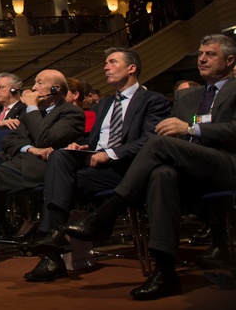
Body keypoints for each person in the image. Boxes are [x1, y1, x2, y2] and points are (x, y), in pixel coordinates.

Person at [64, 34, 236, 300]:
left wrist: (192, 128)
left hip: (226, 164)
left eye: (210, 54)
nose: (202, 58)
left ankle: (107, 213)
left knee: (156, 145)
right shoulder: (188, 96)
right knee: (161, 174)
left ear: (230, 60)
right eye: (200, 53)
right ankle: (165, 270)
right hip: (188, 167)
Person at [24, 48, 170, 282]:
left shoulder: (153, 100)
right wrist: (80, 145)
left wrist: (110, 154)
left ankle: (51, 252)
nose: (105, 67)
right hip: (95, 165)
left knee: (61, 182)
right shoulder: (105, 104)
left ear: (131, 68)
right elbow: (96, 139)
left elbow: (150, 140)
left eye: (112, 62)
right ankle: (53, 243)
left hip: (130, 169)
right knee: (60, 157)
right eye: (105, 63)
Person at [0, 70, 85, 248]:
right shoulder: (33, 112)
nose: (34, 88)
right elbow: (8, 140)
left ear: (55, 89)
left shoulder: (70, 113)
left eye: (39, 83)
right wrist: (30, 148)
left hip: (40, 167)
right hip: (16, 159)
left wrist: (31, 108)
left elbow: (47, 139)